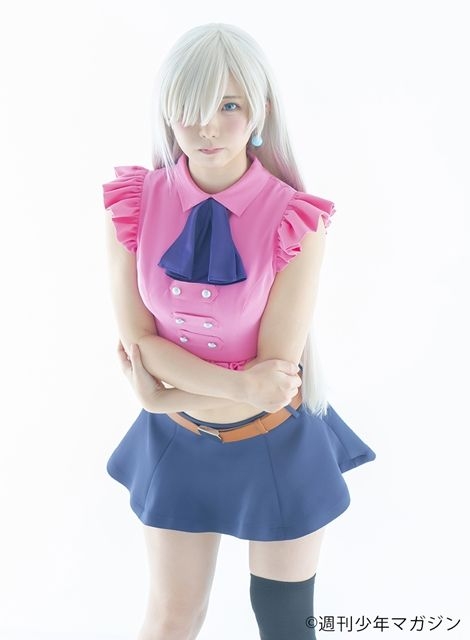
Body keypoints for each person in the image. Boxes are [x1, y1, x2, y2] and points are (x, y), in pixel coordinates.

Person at [101, 22, 377, 640]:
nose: (208, 127)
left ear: (260, 111)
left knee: (285, 623)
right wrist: (229, 388)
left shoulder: (296, 221)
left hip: (278, 443)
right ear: (167, 111)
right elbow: (142, 345)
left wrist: (161, 396)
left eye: (228, 106)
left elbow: (274, 381)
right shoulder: (134, 204)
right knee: (172, 618)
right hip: (178, 441)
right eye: (191, 108)